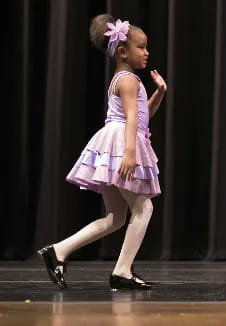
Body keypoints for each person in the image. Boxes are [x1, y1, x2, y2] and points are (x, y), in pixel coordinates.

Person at [37, 14, 167, 290]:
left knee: (116, 217)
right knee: (144, 208)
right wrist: (130, 153)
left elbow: (143, 117)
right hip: (121, 142)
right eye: (141, 47)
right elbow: (132, 118)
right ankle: (122, 271)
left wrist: (160, 93)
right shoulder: (129, 80)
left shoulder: (125, 80)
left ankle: (58, 251)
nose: (147, 52)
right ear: (122, 51)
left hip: (116, 140)